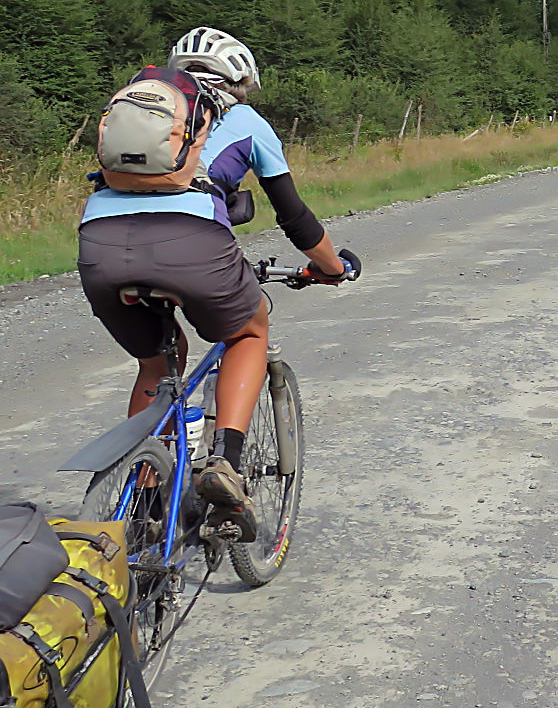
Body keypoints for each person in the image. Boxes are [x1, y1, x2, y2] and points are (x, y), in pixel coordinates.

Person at [77, 27, 352, 539]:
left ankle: (142, 485)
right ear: (238, 79)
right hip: (192, 245)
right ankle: (224, 462)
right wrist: (332, 268)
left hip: (99, 244)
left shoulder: (141, 111)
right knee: (248, 331)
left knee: (158, 359)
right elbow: (294, 218)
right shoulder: (244, 120)